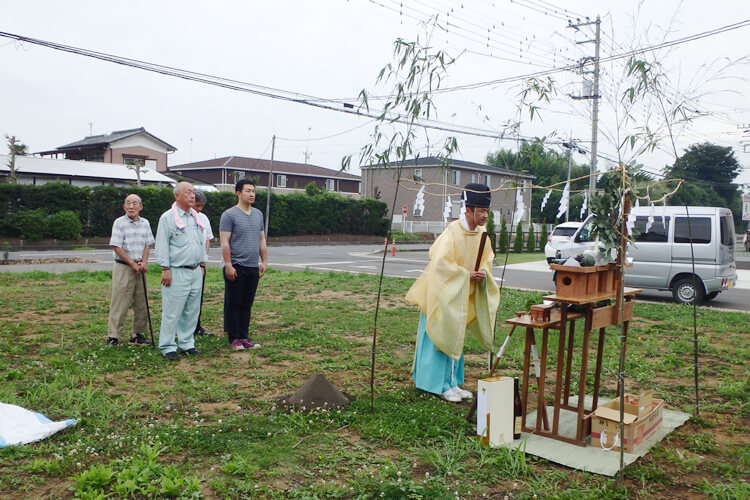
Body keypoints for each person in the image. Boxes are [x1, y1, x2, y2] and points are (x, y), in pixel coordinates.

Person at [405, 183, 500, 402]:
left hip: (461, 294)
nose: (485, 215)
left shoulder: (482, 234)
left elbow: (487, 259)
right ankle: (435, 384)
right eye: (481, 211)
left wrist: (482, 272)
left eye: (487, 211)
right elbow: (439, 263)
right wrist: (465, 274)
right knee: (441, 336)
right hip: (443, 294)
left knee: (456, 334)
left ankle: (452, 382)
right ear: (468, 210)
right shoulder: (451, 233)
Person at [155, 182, 208, 361]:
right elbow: (162, 245)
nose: (192, 196)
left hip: (195, 270)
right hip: (177, 271)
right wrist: (165, 268)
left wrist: (202, 264)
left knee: (191, 310)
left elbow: (200, 243)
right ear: (177, 196)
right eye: (188, 192)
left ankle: (187, 343)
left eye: (193, 192)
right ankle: (168, 345)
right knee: (172, 310)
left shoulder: (195, 217)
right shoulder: (168, 218)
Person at [219, 179, 267, 351]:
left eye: (253, 191)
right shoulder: (229, 215)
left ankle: (244, 336)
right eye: (248, 191)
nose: (252, 194)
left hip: (252, 266)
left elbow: (262, 240)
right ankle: (234, 338)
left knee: (247, 303)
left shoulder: (258, 214)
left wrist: (264, 261)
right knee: (234, 303)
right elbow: (225, 243)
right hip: (236, 265)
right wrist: (228, 264)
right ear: (238, 193)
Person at [106, 194, 155, 346]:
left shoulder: (145, 223)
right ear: (124, 207)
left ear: (140, 207)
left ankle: (137, 334)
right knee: (120, 301)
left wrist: (144, 261)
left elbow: (148, 244)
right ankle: (113, 336)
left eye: (135, 203)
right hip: (124, 266)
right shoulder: (119, 223)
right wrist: (131, 263)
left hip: (140, 267)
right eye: (128, 203)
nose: (131, 206)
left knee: (141, 301)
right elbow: (116, 246)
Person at [193, 190, 215, 337]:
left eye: (201, 205)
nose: (199, 209)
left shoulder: (203, 218)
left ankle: (197, 325)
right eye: (197, 205)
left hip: (200, 264)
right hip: (186, 264)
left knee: (198, 296)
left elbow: (207, 239)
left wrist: (204, 260)